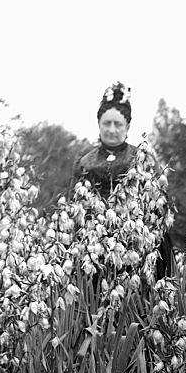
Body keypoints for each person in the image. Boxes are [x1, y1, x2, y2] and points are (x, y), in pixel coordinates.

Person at [73, 82, 174, 278]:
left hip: (137, 243)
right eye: (106, 123)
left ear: (127, 126)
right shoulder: (85, 162)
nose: (112, 129)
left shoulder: (142, 158)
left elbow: (158, 206)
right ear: (99, 125)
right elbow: (76, 208)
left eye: (118, 124)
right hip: (96, 245)